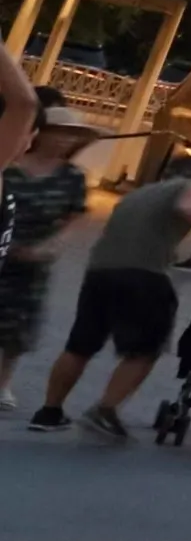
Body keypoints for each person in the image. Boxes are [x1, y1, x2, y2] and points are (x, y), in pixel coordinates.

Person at [38, 158, 191, 443]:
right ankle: (105, 410)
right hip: (144, 274)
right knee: (147, 348)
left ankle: (49, 411)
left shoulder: (137, 194)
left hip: (99, 271)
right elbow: (189, 208)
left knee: (80, 345)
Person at [0, 93, 98, 419]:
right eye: (59, 132)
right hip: (3, 248)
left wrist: (52, 245)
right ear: (41, 132)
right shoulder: (10, 166)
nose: (64, 140)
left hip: (35, 260)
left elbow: (75, 217)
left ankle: (3, 383)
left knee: (19, 325)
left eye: (71, 135)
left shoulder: (72, 177)